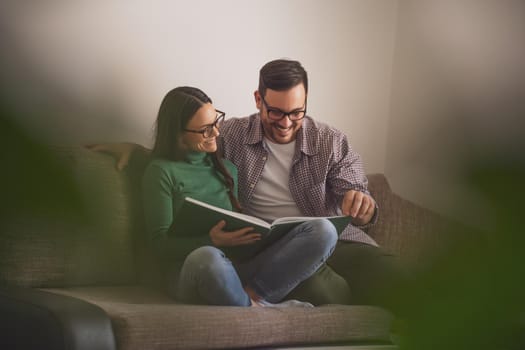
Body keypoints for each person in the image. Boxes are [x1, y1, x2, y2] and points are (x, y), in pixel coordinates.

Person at [89, 59, 408, 312]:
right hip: (272, 248)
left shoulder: (331, 141)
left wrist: (363, 206)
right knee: (329, 291)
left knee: (395, 278)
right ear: (259, 99)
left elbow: (358, 191)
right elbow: (184, 153)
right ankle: (256, 303)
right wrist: (134, 151)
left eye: (296, 113)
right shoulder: (232, 135)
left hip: (333, 242)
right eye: (276, 112)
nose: (285, 123)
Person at [137, 86, 337, 307]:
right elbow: (159, 246)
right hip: (194, 271)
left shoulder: (228, 169)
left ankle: (254, 298)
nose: (216, 133)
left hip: (235, 267)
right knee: (206, 256)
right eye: (205, 129)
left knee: (323, 230)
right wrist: (211, 241)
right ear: (178, 134)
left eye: (216, 122)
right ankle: (261, 309)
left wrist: (258, 237)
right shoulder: (161, 172)